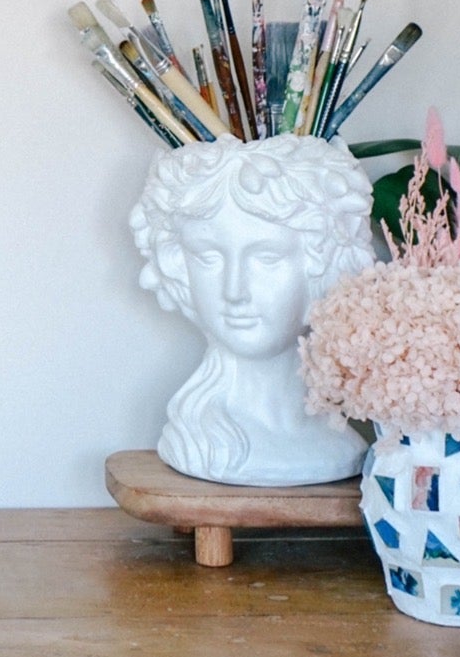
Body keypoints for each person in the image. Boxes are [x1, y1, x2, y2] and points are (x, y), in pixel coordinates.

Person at [128, 134, 376, 485]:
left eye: (266, 257)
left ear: (322, 263)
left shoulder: (340, 441)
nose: (234, 290)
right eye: (208, 256)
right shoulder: (198, 442)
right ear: (177, 265)